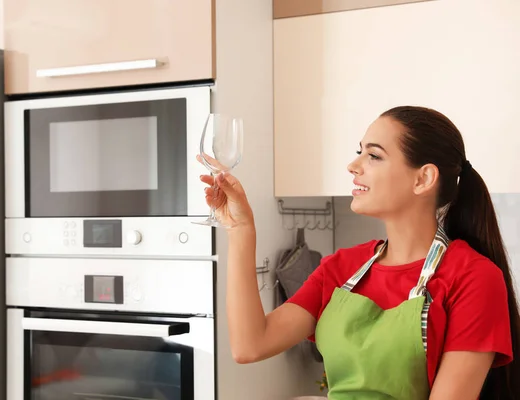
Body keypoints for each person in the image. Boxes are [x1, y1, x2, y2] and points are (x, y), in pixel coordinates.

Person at [198, 106, 520, 400]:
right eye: (359, 153)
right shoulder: (341, 266)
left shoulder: (473, 278)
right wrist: (241, 230)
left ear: (423, 178)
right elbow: (250, 345)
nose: (353, 166)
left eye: (374, 156)